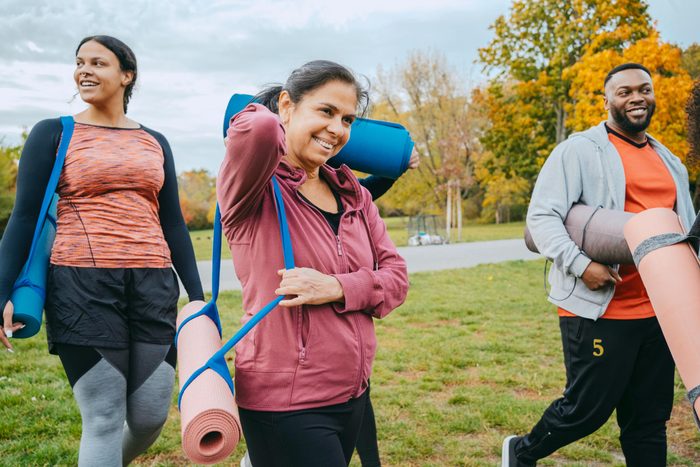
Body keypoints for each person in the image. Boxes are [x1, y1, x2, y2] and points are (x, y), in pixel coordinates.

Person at [0, 35, 204, 466]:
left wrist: (198, 296)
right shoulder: (54, 132)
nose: (85, 70)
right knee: (105, 417)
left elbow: (172, 223)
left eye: (99, 62)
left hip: (153, 283)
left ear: (127, 75)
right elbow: (23, 219)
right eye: (79, 62)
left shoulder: (155, 141)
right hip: (82, 284)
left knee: (149, 417)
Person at [217, 60, 409, 467]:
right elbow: (259, 129)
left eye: (348, 119)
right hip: (287, 401)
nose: (338, 129)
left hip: (352, 390)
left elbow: (396, 280)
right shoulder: (253, 190)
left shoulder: (353, 192)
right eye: (326, 111)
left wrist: (336, 287)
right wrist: (279, 116)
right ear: (286, 106)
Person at [502, 63, 695, 466]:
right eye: (624, 92)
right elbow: (541, 217)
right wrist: (580, 264)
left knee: (649, 418)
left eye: (644, 89)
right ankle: (520, 452)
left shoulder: (671, 161)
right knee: (585, 411)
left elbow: (685, 232)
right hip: (598, 307)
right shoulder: (578, 150)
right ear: (605, 100)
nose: (636, 97)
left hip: (659, 310)